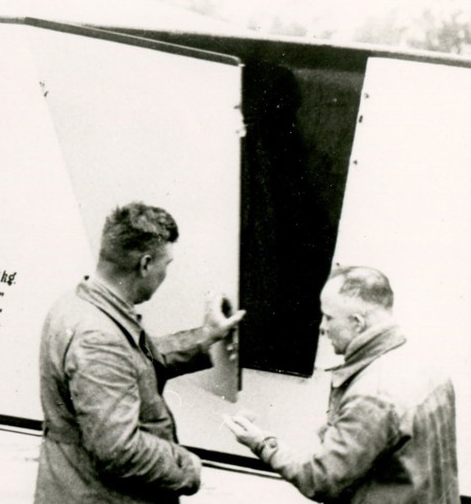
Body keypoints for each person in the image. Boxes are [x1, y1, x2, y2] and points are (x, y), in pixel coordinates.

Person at [34, 202, 245, 503]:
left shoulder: (79, 305)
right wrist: (186, 467)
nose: (166, 273)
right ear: (145, 265)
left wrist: (206, 335)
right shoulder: (98, 338)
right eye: (166, 264)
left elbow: (134, 359)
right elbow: (119, 450)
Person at [224, 266, 458, 503]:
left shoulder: (372, 395)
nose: (322, 327)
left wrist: (261, 443)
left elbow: (319, 480)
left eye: (328, 317)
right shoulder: (426, 364)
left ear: (357, 323)